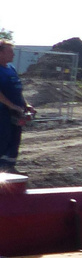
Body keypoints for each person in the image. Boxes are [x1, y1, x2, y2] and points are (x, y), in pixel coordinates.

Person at [0, 40, 35, 172]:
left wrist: (25, 105)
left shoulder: (11, 68)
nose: (13, 55)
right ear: (0, 52)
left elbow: (17, 90)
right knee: (3, 139)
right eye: (10, 52)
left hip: (14, 113)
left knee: (14, 140)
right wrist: (12, 106)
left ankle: (9, 168)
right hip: (2, 113)